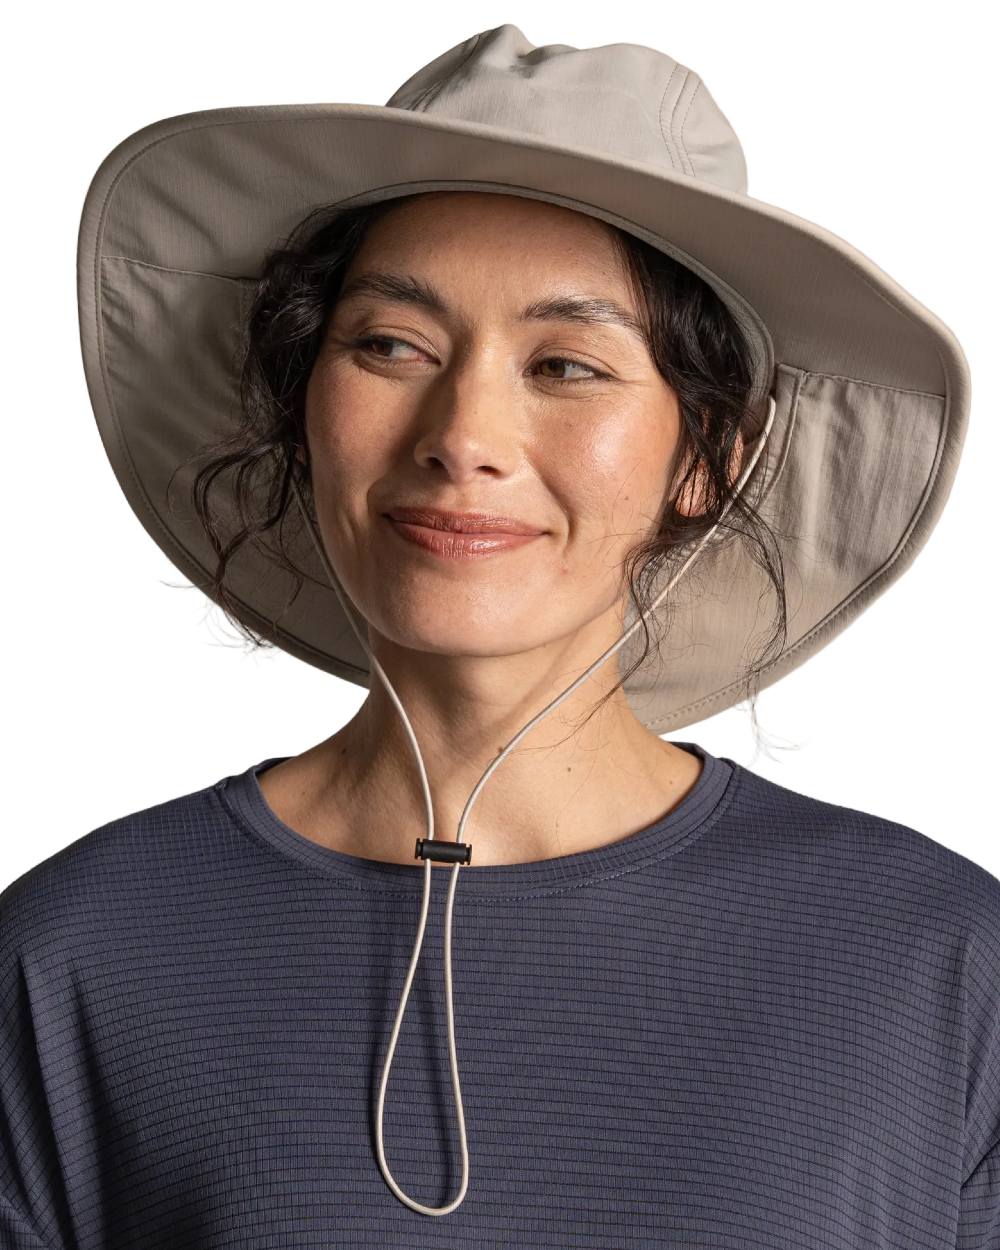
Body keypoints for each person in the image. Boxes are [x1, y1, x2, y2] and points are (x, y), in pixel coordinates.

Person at [2, 22, 997, 1248]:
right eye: (389, 345)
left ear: (708, 459)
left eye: (568, 365)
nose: (463, 432)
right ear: (300, 406)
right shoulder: (81, 953)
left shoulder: (934, 958)